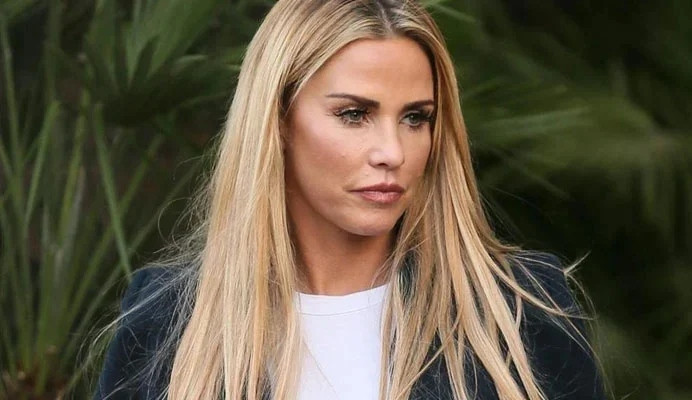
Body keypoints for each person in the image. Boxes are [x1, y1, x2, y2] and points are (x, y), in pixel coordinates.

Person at [93, 0, 606, 399]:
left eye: (416, 118)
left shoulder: (521, 311)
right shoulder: (166, 321)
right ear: (278, 120)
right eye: (354, 114)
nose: (392, 152)